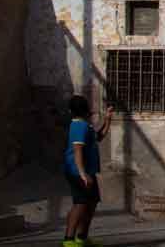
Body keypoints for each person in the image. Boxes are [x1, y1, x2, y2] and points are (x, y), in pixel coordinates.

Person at [62, 95, 112, 247]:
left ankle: (82, 238)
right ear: (85, 109)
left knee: (91, 204)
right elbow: (77, 150)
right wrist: (83, 174)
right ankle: (69, 240)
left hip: (86, 172)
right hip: (77, 172)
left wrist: (107, 120)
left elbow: (99, 136)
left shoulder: (85, 125)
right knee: (80, 204)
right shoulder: (79, 126)